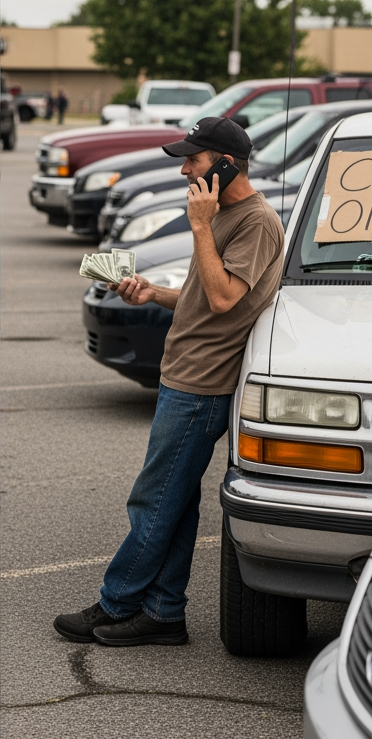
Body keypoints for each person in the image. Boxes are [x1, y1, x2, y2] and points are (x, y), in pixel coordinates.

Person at [54, 116, 284, 646]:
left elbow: (227, 297)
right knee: (175, 505)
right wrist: (153, 293)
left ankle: (115, 603)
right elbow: (209, 296)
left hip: (202, 385)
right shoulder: (227, 214)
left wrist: (200, 226)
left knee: (152, 500)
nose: (184, 170)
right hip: (185, 374)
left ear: (226, 165)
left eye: (193, 160)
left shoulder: (254, 221)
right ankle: (163, 613)